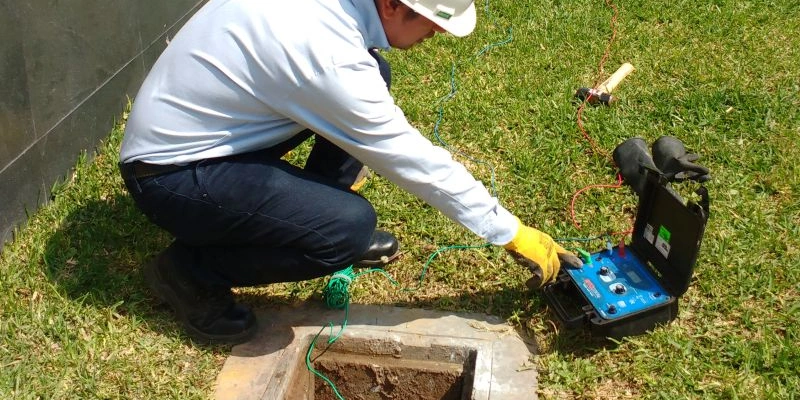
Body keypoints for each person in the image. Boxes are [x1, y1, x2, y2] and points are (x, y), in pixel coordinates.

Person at [119, 0, 582, 345]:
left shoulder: (331, 23)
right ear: (390, 5)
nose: (437, 34)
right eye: (434, 23)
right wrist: (510, 231)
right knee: (347, 230)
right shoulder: (327, 55)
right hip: (170, 176)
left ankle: (307, 218)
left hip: (208, 133)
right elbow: (408, 157)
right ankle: (190, 273)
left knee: (374, 72)